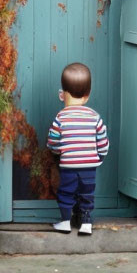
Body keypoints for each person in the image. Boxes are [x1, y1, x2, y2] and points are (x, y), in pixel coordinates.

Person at [47, 62, 108, 236]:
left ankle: (65, 222)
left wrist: (58, 152)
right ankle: (86, 223)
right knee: (86, 193)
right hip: (90, 166)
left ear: (63, 94)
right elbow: (102, 141)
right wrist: (100, 156)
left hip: (68, 166)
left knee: (66, 192)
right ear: (87, 96)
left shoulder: (61, 117)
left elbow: (53, 141)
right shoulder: (94, 117)